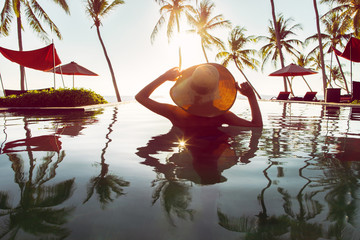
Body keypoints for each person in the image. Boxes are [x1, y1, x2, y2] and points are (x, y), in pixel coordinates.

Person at [135, 63, 263, 128]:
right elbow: (257, 126)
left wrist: (164, 77)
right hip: (216, 154)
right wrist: (251, 97)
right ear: (217, 90)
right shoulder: (222, 116)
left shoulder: (176, 114)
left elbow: (140, 97)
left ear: (189, 87)